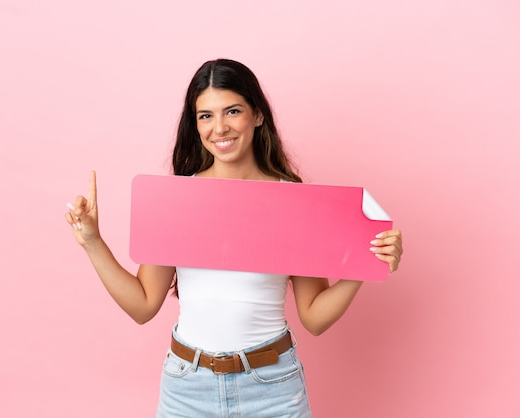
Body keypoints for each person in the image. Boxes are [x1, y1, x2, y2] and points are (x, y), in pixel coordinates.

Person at [65, 58, 403, 417]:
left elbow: (314, 317)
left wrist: (366, 265)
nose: (220, 127)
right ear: (195, 126)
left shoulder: (294, 201)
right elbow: (143, 305)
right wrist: (93, 243)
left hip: (272, 388)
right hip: (186, 390)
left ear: (257, 115)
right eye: (206, 116)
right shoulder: (178, 200)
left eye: (233, 111)